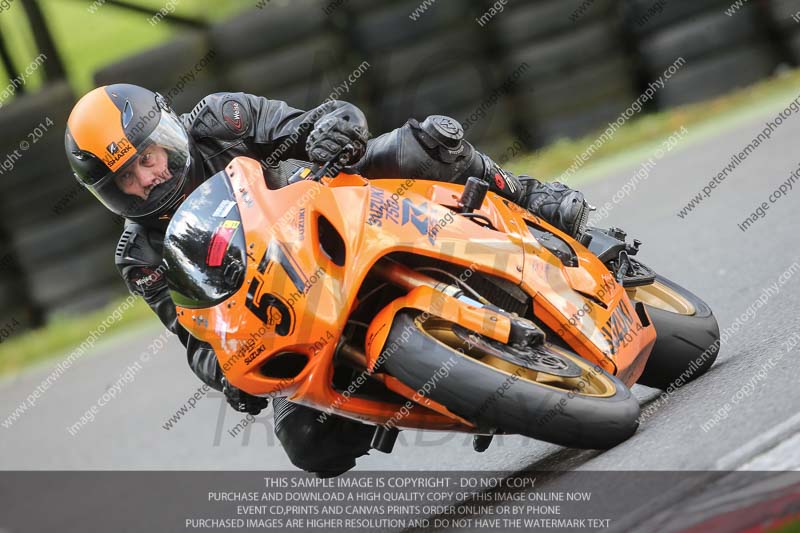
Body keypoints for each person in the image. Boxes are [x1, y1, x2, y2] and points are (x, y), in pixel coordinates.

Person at [64, 84, 590, 476]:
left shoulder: (222, 120)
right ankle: (426, 387)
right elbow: (195, 337)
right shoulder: (140, 256)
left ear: (166, 136)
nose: (145, 180)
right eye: (125, 179)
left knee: (424, 143)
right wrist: (226, 374)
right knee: (310, 444)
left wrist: (330, 132)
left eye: (146, 159)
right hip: (285, 315)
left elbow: (318, 118)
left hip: (329, 217)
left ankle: (530, 198)